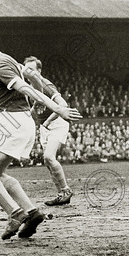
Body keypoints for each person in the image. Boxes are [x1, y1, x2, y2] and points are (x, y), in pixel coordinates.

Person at [0, 23, 81, 240]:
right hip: (21, 123)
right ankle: (32, 213)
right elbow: (34, 77)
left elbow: (26, 87)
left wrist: (57, 108)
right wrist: (47, 96)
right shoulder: (7, 59)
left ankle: (15, 213)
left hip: (13, 125)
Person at [21, 57, 74, 206]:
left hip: (57, 123)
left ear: (39, 71)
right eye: (26, 69)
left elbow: (63, 105)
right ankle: (61, 194)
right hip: (45, 127)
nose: (28, 72)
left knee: (49, 157)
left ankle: (66, 190)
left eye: (31, 69)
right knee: (47, 161)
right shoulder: (27, 87)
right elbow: (35, 107)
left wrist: (48, 121)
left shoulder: (46, 85)